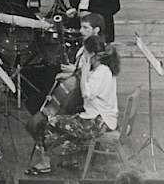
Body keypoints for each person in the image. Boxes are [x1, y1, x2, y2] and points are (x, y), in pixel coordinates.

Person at [26, 36, 119, 175]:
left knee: (49, 123)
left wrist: (84, 71)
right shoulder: (102, 69)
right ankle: (71, 159)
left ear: (92, 54)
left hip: (97, 122)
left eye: (85, 52)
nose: (84, 55)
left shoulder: (101, 72)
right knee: (64, 124)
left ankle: (45, 164)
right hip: (98, 119)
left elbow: (86, 93)